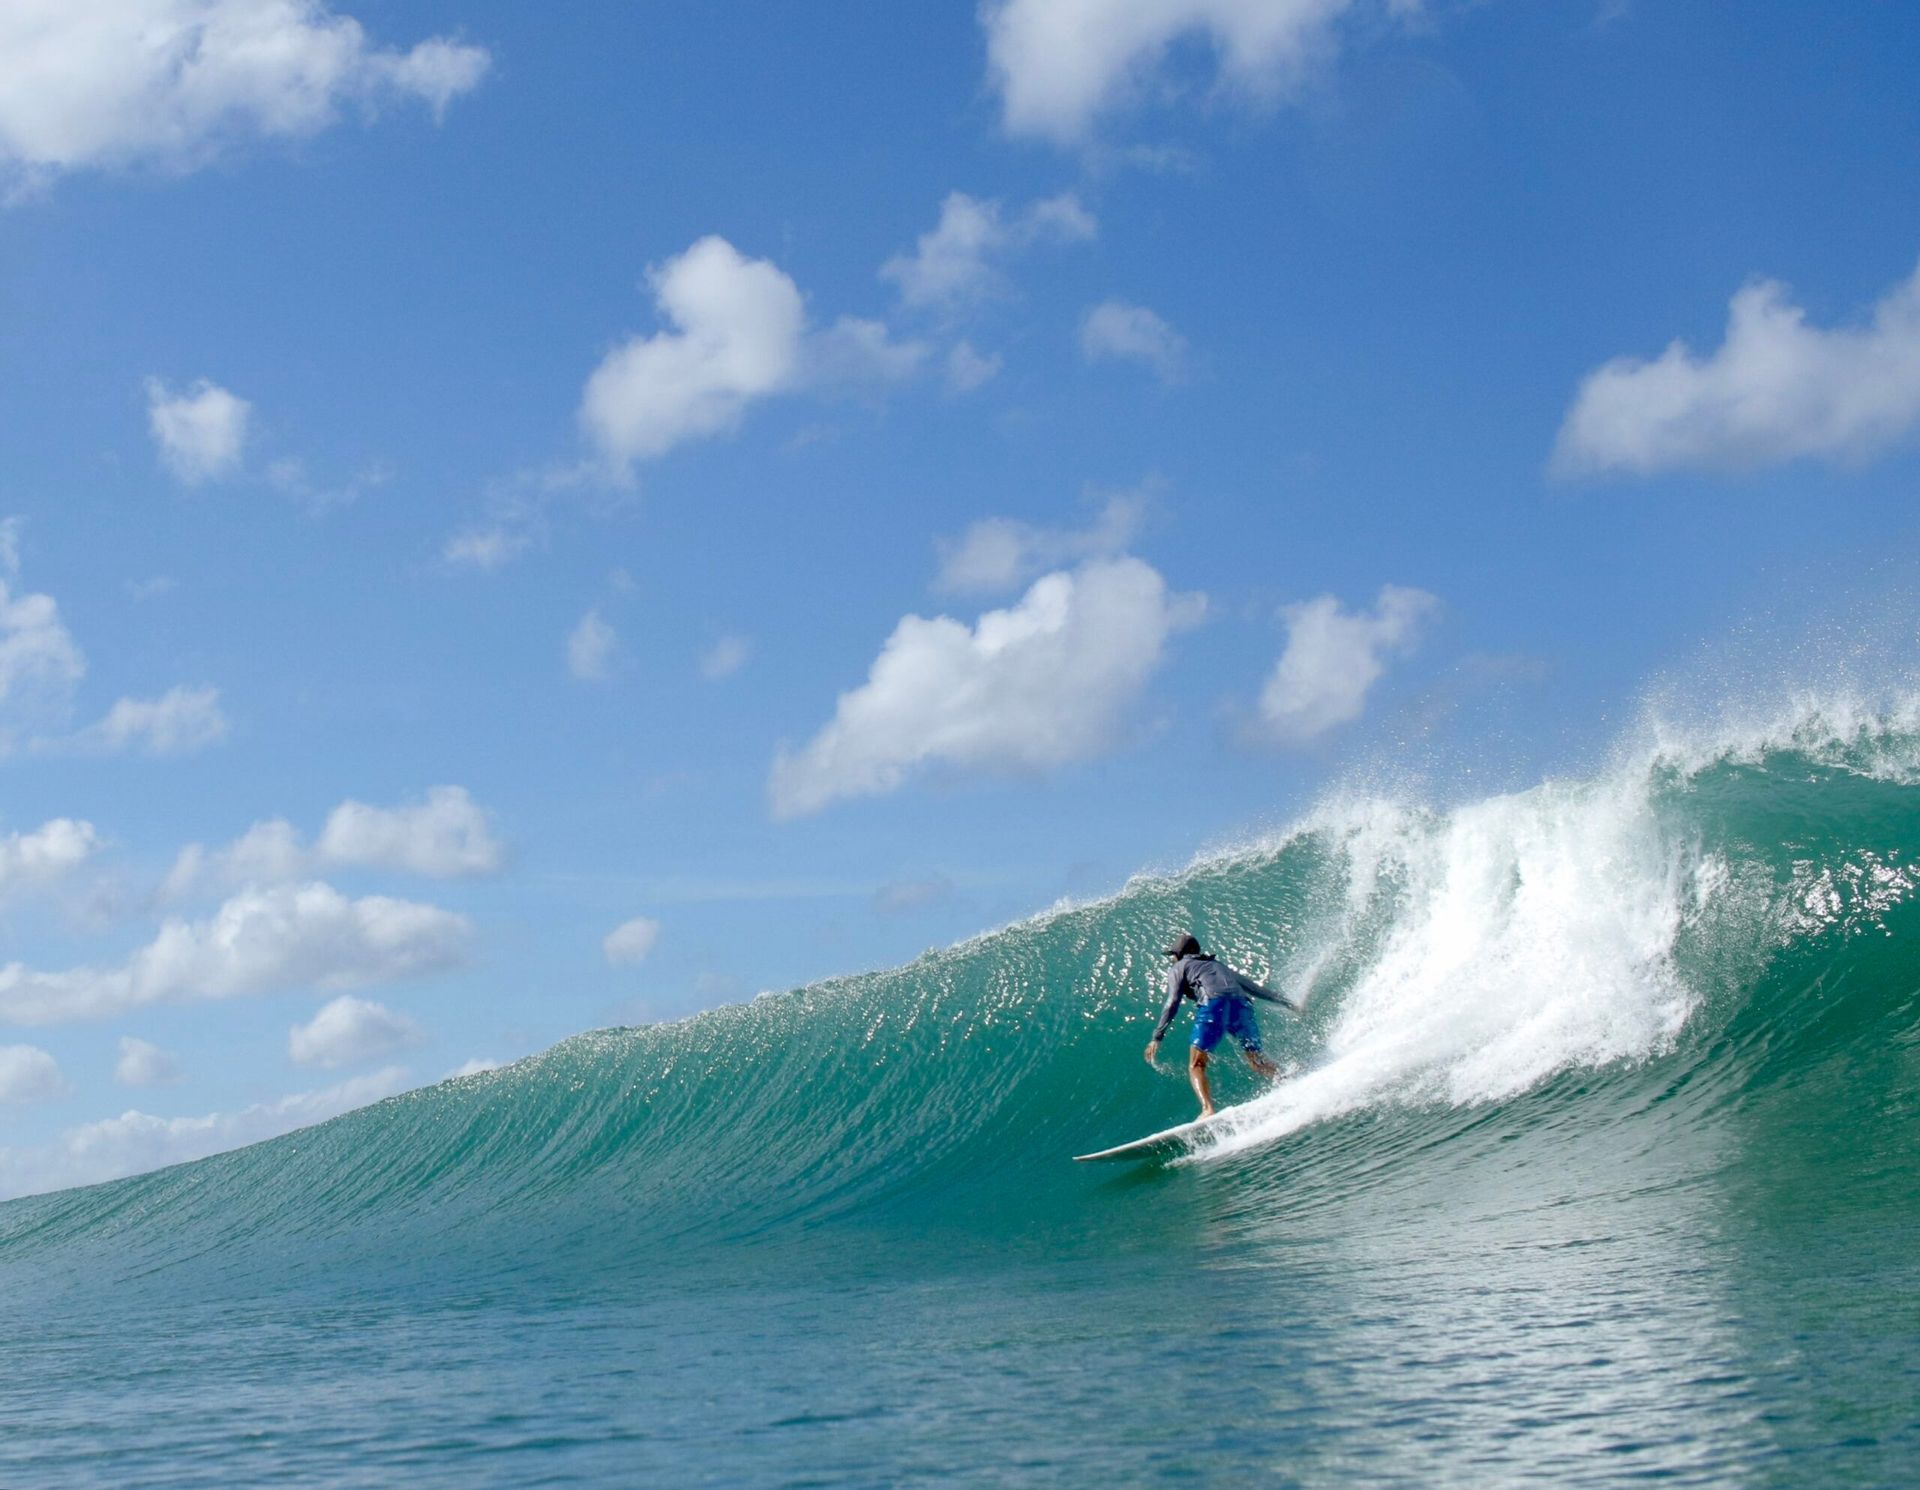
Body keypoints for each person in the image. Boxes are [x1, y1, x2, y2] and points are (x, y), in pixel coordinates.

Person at [1144, 932, 1301, 1118]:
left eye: (1173, 954)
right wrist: (1289, 1004)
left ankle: (1207, 1109)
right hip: (1242, 1005)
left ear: (1178, 953)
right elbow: (1255, 989)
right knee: (1257, 1062)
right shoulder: (1217, 965)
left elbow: (1172, 1001)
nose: (1172, 958)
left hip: (1214, 1004)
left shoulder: (1179, 967)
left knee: (1196, 1064)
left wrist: (1157, 1036)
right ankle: (1289, 1079)